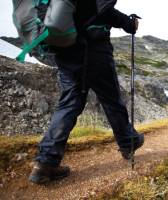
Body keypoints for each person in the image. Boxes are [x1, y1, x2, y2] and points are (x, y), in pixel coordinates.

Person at [29, 0, 144, 184]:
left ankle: (45, 163)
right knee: (111, 100)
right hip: (94, 50)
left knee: (69, 103)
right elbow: (100, 9)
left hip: (66, 52)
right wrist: (128, 23)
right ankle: (128, 142)